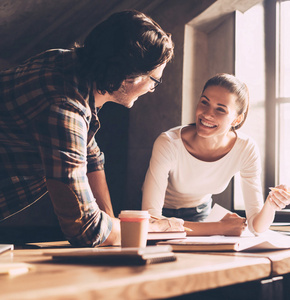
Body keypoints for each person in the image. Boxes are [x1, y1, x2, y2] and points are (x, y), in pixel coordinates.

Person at [0, 10, 184, 247]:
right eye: (155, 81)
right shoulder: (65, 107)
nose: (152, 89)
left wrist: (110, 220)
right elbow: (86, 228)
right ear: (130, 76)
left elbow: (90, 155)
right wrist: (148, 228)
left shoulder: (65, 63)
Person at [142, 73, 290, 236]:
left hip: (201, 215)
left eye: (220, 109)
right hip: (162, 214)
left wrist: (270, 204)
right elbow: (151, 222)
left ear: (236, 120)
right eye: (204, 102)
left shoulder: (246, 149)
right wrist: (220, 227)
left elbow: (256, 227)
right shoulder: (169, 143)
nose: (207, 114)